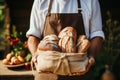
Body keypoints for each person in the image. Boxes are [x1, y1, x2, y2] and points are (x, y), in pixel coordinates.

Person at [26, 0, 105, 80]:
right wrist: (35, 55)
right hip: (47, 74)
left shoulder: (90, 2)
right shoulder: (41, 1)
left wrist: (91, 56)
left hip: (79, 72)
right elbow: (33, 35)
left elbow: (96, 34)